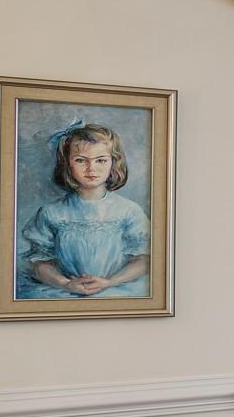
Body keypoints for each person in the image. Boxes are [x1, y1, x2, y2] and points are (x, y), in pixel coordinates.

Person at [18, 121, 152, 299]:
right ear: (67, 164)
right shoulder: (52, 213)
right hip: (64, 291)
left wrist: (109, 282)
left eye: (101, 160)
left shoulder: (129, 211)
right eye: (81, 160)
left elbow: (144, 261)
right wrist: (65, 283)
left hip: (117, 290)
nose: (91, 168)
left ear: (113, 163)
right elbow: (39, 263)